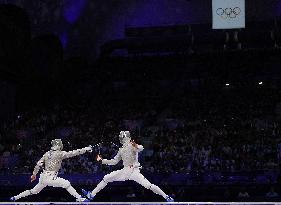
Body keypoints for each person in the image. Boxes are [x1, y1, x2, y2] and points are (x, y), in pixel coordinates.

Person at [82, 131, 174, 202]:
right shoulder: (121, 149)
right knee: (106, 178)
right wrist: (102, 161)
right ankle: (91, 195)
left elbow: (141, 148)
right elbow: (114, 161)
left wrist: (136, 145)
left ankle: (166, 196)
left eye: (123, 137)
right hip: (124, 171)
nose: (122, 139)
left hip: (134, 171)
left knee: (148, 185)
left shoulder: (132, 146)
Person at [10, 139, 92, 202]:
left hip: (42, 177)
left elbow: (38, 164)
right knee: (66, 183)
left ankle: (15, 197)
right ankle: (79, 198)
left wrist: (34, 174)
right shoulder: (60, 153)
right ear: (58, 145)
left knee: (33, 191)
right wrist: (86, 149)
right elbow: (74, 153)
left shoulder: (46, 153)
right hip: (50, 177)